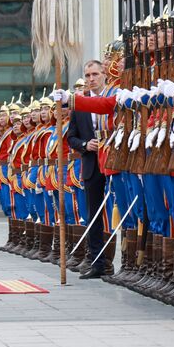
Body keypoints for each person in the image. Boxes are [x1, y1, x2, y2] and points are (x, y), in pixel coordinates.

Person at [68, 58, 111, 278]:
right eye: (87, 75)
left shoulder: (114, 95)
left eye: (95, 74)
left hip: (113, 161)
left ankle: (119, 261)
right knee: (93, 215)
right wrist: (85, 145)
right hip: (91, 163)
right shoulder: (80, 104)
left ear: (104, 74)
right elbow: (71, 137)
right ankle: (97, 262)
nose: (91, 79)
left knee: (117, 213)